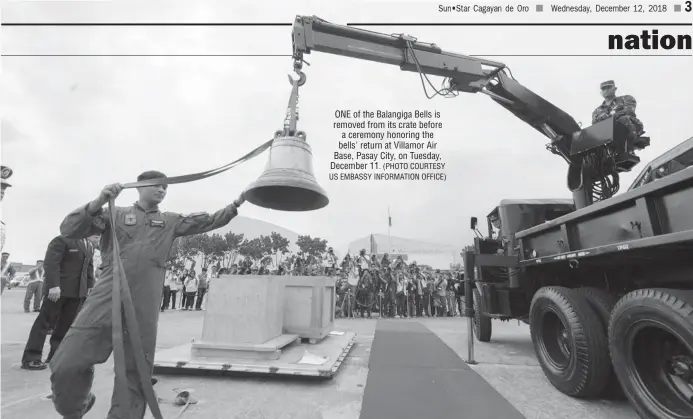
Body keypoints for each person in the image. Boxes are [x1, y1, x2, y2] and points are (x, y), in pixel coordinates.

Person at [48, 171, 243, 419]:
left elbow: (212, 220)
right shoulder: (113, 214)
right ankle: (75, 405)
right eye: (156, 185)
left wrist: (239, 201)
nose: (162, 190)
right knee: (67, 362)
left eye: (165, 187)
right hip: (107, 294)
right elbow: (69, 228)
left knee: (135, 372)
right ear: (139, 187)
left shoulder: (171, 221)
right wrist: (98, 201)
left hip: (145, 301)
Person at [21, 235, 95, 370]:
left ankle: (56, 355)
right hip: (57, 290)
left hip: (77, 292)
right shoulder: (62, 240)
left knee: (65, 325)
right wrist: (53, 285)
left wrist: (90, 286)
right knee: (44, 323)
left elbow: (89, 267)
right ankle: (31, 357)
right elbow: (51, 263)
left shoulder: (89, 245)